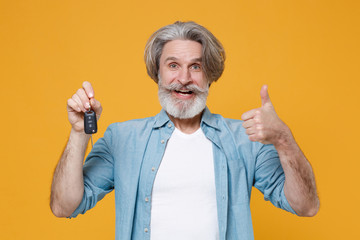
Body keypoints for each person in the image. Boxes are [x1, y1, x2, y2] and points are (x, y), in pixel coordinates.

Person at [50, 21, 319, 240]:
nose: (184, 79)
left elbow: (306, 206)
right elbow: (64, 206)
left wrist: (283, 139)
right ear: (157, 72)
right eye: (173, 65)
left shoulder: (245, 138)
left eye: (196, 66)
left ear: (210, 75)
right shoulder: (122, 139)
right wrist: (78, 133)